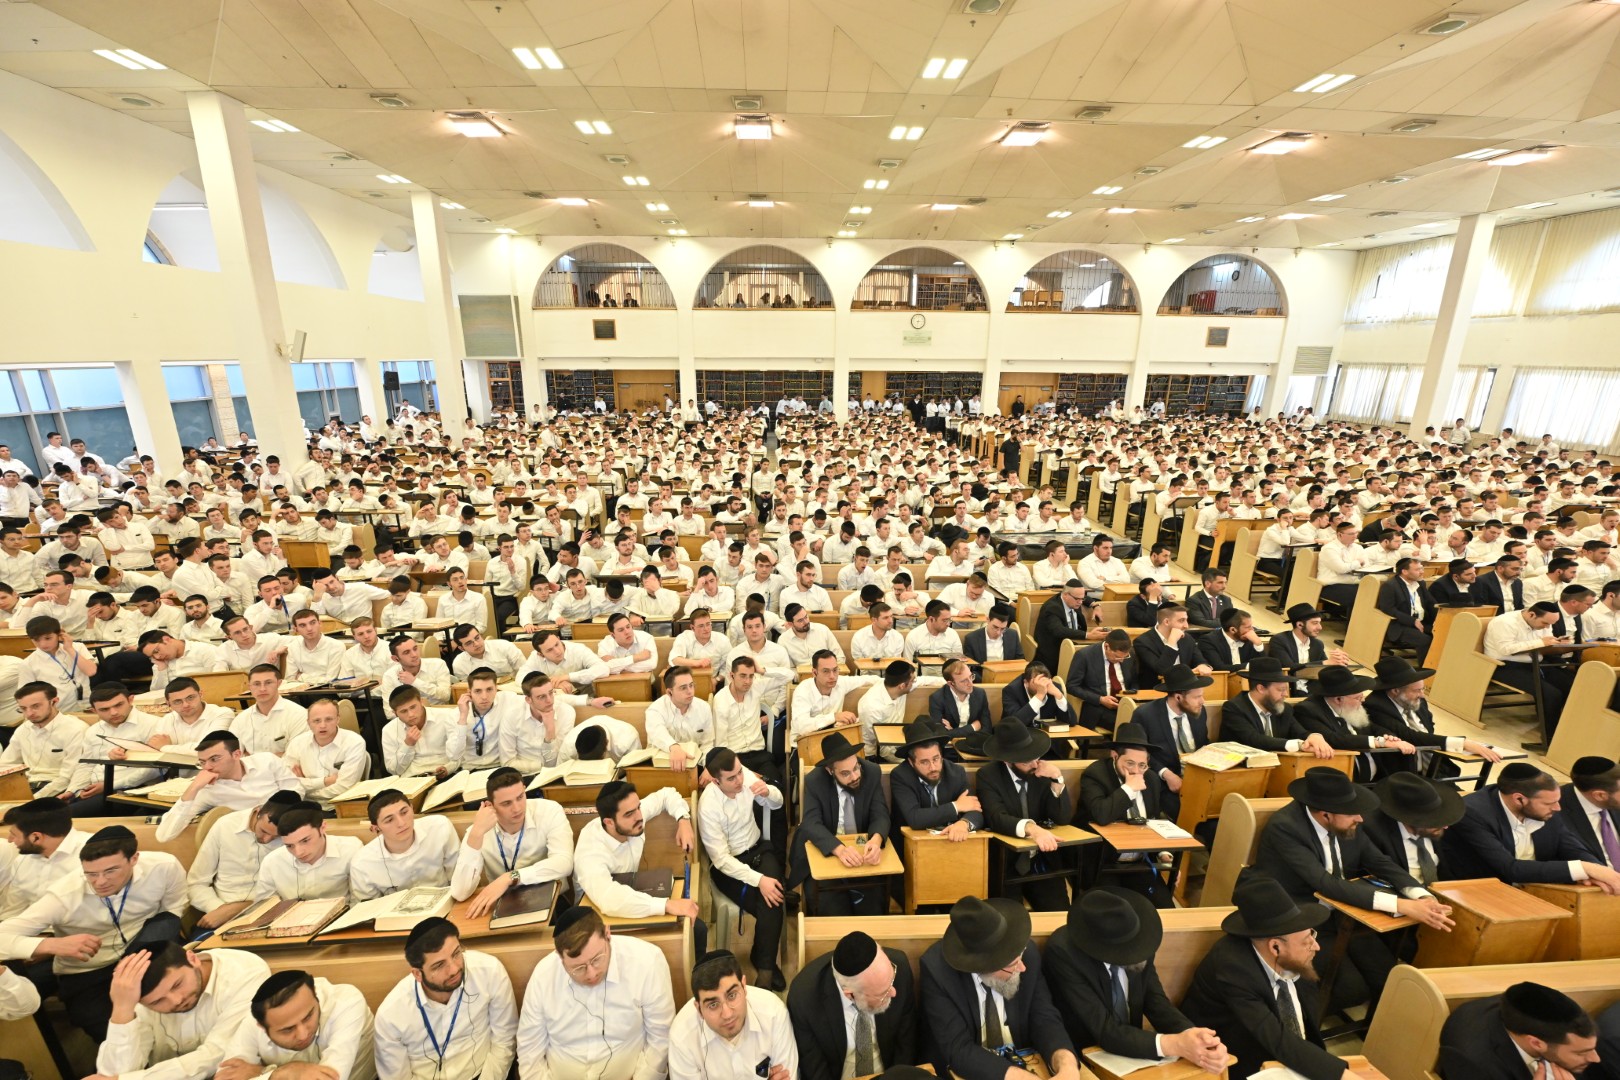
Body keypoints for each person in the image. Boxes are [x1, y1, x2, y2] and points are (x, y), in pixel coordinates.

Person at [1253, 767, 1454, 1009]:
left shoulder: (1345, 822)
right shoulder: (1286, 828)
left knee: (1386, 977)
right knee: (1352, 991)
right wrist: (1401, 905)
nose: (1360, 819)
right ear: (1326, 815)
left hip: (1343, 912)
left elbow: (1378, 861)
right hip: (1301, 916)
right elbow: (1325, 884)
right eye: (1352, 814)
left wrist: (1420, 895)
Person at [0, 824, 186, 1040]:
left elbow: (173, 910)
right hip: (89, 967)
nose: (100, 882)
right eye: (91, 874)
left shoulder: (164, 867)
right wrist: (51, 945)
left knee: (171, 994)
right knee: (99, 1024)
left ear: (134, 859)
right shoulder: (64, 895)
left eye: (110, 871)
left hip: (143, 946)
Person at [1179, 872, 1345, 1080]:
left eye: (1313, 934)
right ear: (1275, 947)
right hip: (1230, 1058)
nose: (1316, 946)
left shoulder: (1295, 956)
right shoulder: (1232, 968)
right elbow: (1275, 1037)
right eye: (1307, 941)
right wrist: (1341, 1075)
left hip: (1280, 1052)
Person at [1042, 888, 1228, 1070]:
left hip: (1135, 1052)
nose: (1136, 952)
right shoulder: (1064, 954)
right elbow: (1102, 1029)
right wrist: (1175, 1044)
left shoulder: (1140, 939)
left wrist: (1194, 1037)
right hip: (1085, 1056)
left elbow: (1156, 1002)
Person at [918, 895, 1081, 1080]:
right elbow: (958, 1049)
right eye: (1012, 965)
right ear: (982, 966)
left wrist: (1066, 1063)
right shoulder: (938, 971)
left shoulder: (1026, 953)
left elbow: (1044, 1018)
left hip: (1026, 1062)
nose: (1022, 968)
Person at [516, 906, 674, 1080]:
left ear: (607, 934)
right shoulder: (544, 975)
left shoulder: (646, 961)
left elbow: (660, 1038)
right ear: (561, 958)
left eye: (597, 959)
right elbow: (529, 1050)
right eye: (578, 968)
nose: (591, 974)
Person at [95, 940, 271, 1080]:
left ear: (193, 959)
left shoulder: (245, 972)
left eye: (177, 984)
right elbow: (113, 1073)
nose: (176, 1000)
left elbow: (218, 1055)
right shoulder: (135, 995)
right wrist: (122, 1008)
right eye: (158, 1001)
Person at [373, 916, 516, 1080]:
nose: (454, 969)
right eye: (439, 965)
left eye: (456, 954)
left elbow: (504, 1041)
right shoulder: (390, 1015)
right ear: (418, 974)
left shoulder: (489, 972)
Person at [1439, 763, 1620, 889]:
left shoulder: (1546, 808)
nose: (1558, 808)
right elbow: (1510, 869)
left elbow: (1571, 847)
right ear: (1519, 799)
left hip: (1536, 889)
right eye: (1550, 803)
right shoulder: (1472, 813)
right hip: (1481, 891)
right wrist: (1583, 869)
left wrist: (1599, 872)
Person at [697, 747, 788, 990]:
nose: (739, 780)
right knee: (771, 900)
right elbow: (721, 860)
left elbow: (777, 804)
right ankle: (765, 965)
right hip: (729, 866)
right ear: (716, 781)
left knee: (773, 895)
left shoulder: (744, 776)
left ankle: (763, 966)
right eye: (731, 778)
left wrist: (768, 792)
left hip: (759, 849)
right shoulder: (708, 806)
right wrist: (759, 880)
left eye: (739, 772)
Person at [787, 929, 917, 1080]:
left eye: (891, 979)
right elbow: (815, 1071)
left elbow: (906, 1047)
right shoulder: (804, 999)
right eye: (882, 993)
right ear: (849, 994)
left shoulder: (900, 968)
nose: (893, 992)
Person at [975, 720, 1074, 911]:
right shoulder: (988, 776)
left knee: (1060, 913)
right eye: (1026, 761)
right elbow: (996, 817)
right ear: (1008, 761)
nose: (1035, 764)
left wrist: (1057, 779)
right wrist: (1032, 829)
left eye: (1036, 757)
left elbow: (1062, 818)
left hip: (1040, 859)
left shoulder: (1041, 771)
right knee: (1010, 917)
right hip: (1006, 863)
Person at [448, 766, 574, 916]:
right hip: (504, 904)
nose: (517, 808)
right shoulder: (478, 830)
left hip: (551, 900)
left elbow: (564, 863)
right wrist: (476, 834)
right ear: (490, 805)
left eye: (520, 797)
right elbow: (460, 892)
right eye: (506, 803)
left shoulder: (548, 810)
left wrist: (511, 877)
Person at [1075, 724, 1176, 905]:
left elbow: (1154, 817)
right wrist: (1128, 789)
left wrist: (1162, 851)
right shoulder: (1095, 775)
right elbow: (1102, 814)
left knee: (1164, 906)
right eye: (1130, 763)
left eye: (1142, 765)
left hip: (1139, 862)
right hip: (1103, 862)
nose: (1136, 771)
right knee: (1116, 910)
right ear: (1114, 756)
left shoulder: (1151, 779)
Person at [791, 731, 890, 916]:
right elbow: (811, 823)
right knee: (832, 909)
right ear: (830, 771)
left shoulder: (871, 772)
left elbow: (880, 814)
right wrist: (839, 850)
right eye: (845, 773)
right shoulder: (815, 781)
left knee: (873, 906)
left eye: (856, 768)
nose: (854, 776)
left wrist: (876, 840)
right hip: (828, 849)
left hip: (861, 850)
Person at [575, 779, 700, 922]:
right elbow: (609, 899)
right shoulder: (590, 852)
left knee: (695, 925)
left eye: (638, 807)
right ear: (609, 822)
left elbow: (666, 794)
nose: (639, 816)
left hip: (630, 896)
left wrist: (683, 820)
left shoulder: (632, 817)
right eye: (629, 814)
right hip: (593, 918)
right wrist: (666, 905)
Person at [218, 970, 375, 1080]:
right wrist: (281, 1074)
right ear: (262, 1027)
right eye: (288, 1029)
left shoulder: (346, 1002)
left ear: (315, 994)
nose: (303, 1035)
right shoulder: (254, 1021)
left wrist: (269, 1072)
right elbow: (227, 1074)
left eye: (308, 1017)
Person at [668, 950, 797, 1080]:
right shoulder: (682, 1037)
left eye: (732, 995)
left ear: (744, 986)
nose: (727, 1014)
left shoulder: (773, 1013)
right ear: (699, 1009)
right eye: (713, 1005)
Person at [186, 790, 302, 932]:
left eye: (275, 837)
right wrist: (219, 909)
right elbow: (196, 883)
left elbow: (296, 886)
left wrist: (241, 908)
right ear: (257, 812)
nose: (267, 840)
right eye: (264, 831)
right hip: (220, 912)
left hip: (270, 912)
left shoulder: (293, 837)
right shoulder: (225, 826)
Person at [155, 729, 300, 841]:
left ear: (236, 754)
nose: (207, 767)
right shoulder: (208, 790)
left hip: (288, 830)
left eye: (214, 759)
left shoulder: (267, 761)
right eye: (202, 762)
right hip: (247, 840)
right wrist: (193, 788)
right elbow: (164, 835)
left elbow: (296, 791)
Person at [1440, 981, 1599, 1080]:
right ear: (1536, 1043)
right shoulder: (1475, 1064)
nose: (1596, 1058)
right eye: (1581, 1053)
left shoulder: (1522, 1010)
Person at [347, 789, 461, 901]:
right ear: (375, 828)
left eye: (404, 812)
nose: (401, 823)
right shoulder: (362, 863)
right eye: (389, 820)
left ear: (412, 808)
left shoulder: (439, 827)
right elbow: (370, 908)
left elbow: (459, 877)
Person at [887, 720, 982, 851]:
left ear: (941, 756)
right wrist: (956, 806)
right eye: (924, 762)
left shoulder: (956, 772)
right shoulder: (900, 776)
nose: (933, 767)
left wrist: (963, 824)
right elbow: (915, 818)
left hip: (950, 844)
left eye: (936, 759)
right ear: (911, 762)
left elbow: (975, 810)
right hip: (911, 847)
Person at [1360, 773, 1465, 887]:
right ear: (1411, 817)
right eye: (1436, 820)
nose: (1445, 826)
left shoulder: (1435, 831)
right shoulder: (1372, 831)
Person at [1218, 658, 1337, 757]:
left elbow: (1299, 732)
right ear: (1261, 688)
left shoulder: (1284, 708)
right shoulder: (1234, 708)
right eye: (1281, 690)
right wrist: (1299, 745)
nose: (1286, 694)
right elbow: (1254, 739)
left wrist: (1314, 737)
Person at [253, 803, 362, 901]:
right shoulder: (272, 862)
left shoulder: (350, 849)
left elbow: (359, 900)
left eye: (305, 841)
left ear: (322, 828)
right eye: (289, 846)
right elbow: (265, 907)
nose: (298, 852)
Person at [1065, 631, 1137, 732]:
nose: (1121, 660)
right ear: (1107, 646)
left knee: (1147, 722)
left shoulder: (1130, 653)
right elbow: (1071, 686)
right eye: (1117, 656)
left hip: (1126, 704)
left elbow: (1134, 680)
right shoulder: (1085, 655)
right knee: (1128, 726)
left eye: (1125, 657)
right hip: (1098, 706)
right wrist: (1100, 699)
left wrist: (1132, 695)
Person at [1133, 605, 1214, 690]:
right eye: (1181, 620)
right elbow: (1162, 670)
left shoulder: (1187, 638)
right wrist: (1172, 643)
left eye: (1186, 620)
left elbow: (1200, 660)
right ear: (1166, 622)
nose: (1186, 626)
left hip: (1186, 689)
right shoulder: (1143, 642)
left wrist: (1202, 665)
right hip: (1156, 691)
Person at [1033, 581, 1101, 671]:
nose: (1080, 602)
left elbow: (1083, 597)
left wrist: (1096, 606)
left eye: (1082, 599)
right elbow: (1059, 630)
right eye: (1077, 599)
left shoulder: (1074, 599)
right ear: (1065, 595)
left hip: (1074, 644)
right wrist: (1088, 635)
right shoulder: (1051, 608)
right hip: (1054, 652)